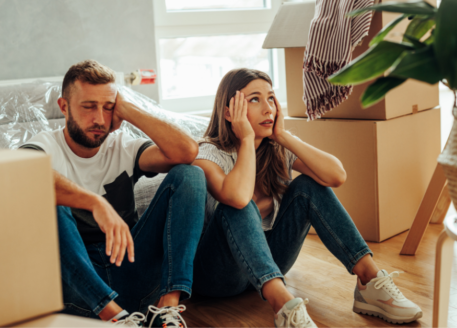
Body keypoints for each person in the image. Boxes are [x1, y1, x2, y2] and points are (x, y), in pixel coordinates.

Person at [192, 68, 423, 327]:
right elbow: (237, 197)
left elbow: (336, 175)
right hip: (218, 275)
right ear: (228, 112)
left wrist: (283, 136)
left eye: (271, 98)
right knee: (240, 204)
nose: (268, 109)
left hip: (272, 265)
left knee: (308, 185)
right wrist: (246, 139)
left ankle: (369, 280)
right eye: (254, 99)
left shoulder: (276, 148)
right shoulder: (208, 153)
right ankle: (284, 306)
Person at [20, 60, 206, 327]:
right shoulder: (44, 146)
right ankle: (116, 319)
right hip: (77, 287)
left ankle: (168, 310)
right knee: (46, 195)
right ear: (64, 107)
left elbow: (186, 152)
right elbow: (22, 176)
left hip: (132, 272)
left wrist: (128, 109)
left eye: (108, 108)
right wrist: (95, 202)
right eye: (88, 107)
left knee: (191, 175)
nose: (99, 119)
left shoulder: (123, 147)